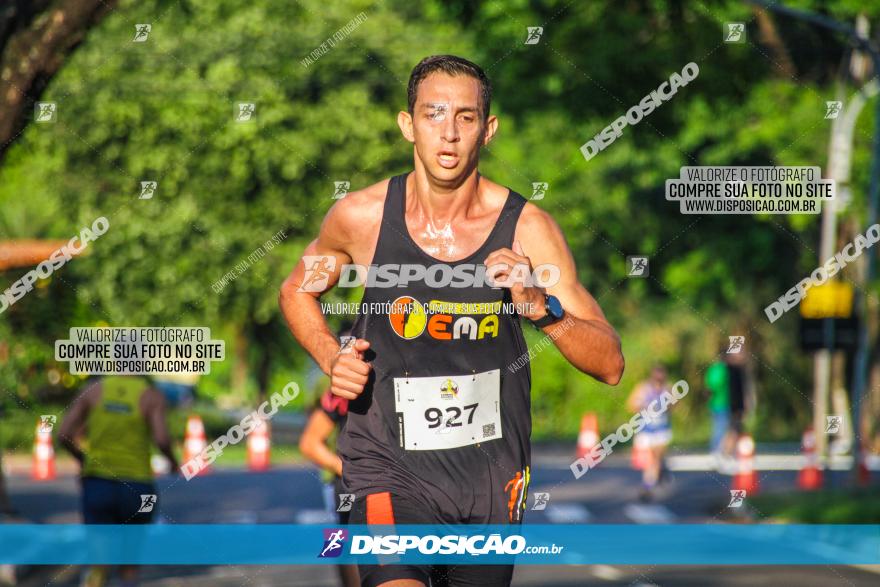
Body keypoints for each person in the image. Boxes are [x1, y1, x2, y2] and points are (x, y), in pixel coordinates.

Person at [280, 54, 624, 587]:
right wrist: (331, 356)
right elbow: (296, 290)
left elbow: (610, 364)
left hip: (491, 479)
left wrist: (543, 309)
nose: (448, 133)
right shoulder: (361, 217)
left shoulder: (527, 229)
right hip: (386, 469)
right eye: (433, 114)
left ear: (488, 131)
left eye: (465, 118)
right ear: (406, 124)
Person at [58, 375, 179, 587]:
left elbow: (63, 434)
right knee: (129, 563)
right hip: (138, 486)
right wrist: (173, 462)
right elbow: (162, 439)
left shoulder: (93, 391)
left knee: (98, 563)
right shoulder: (151, 396)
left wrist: (84, 460)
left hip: (98, 483)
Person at [300, 382, 359, 587]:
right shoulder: (343, 387)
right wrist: (346, 469)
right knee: (342, 538)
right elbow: (309, 443)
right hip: (344, 487)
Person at [627, 365, 673, 501]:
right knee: (650, 460)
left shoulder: (668, 389)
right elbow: (631, 405)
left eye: (661, 376)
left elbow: (675, 406)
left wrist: (668, 404)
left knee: (656, 458)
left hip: (662, 429)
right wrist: (644, 406)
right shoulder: (643, 388)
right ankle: (653, 479)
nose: (659, 379)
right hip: (646, 429)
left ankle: (648, 486)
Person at [704, 351, 730, 457]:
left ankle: (717, 450)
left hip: (713, 404)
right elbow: (715, 386)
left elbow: (708, 387)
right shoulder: (725, 370)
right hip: (723, 403)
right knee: (721, 428)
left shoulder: (711, 369)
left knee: (717, 427)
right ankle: (717, 451)